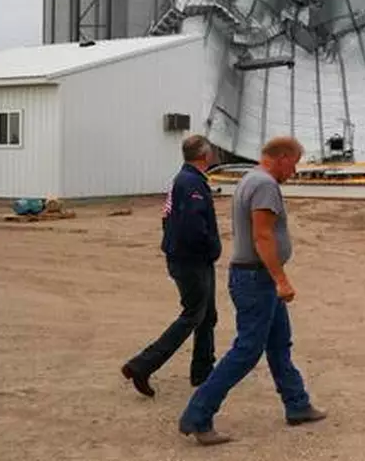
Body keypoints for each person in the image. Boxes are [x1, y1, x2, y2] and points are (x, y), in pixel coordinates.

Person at [178, 136, 326, 446]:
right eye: (295, 163)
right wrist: (281, 279)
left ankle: (297, 404)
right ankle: (198, 414)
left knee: (279, 344)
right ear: (282, 157)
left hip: (257, 278)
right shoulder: (264, 185)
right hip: (257, 279)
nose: (295, 171)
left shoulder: (251, 179)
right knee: (246, 351)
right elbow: (263, 236)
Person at [121, 135, 221, 397]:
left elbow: (168, 218)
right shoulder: (191, 184)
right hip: (191, 260)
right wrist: (211, 247)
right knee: (193, 315)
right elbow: (192, 227)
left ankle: (203, 370)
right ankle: (143, 364)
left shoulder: (186, 179)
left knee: (207, 315)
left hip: (189, 258)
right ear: (204, 155)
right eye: (211, 152)